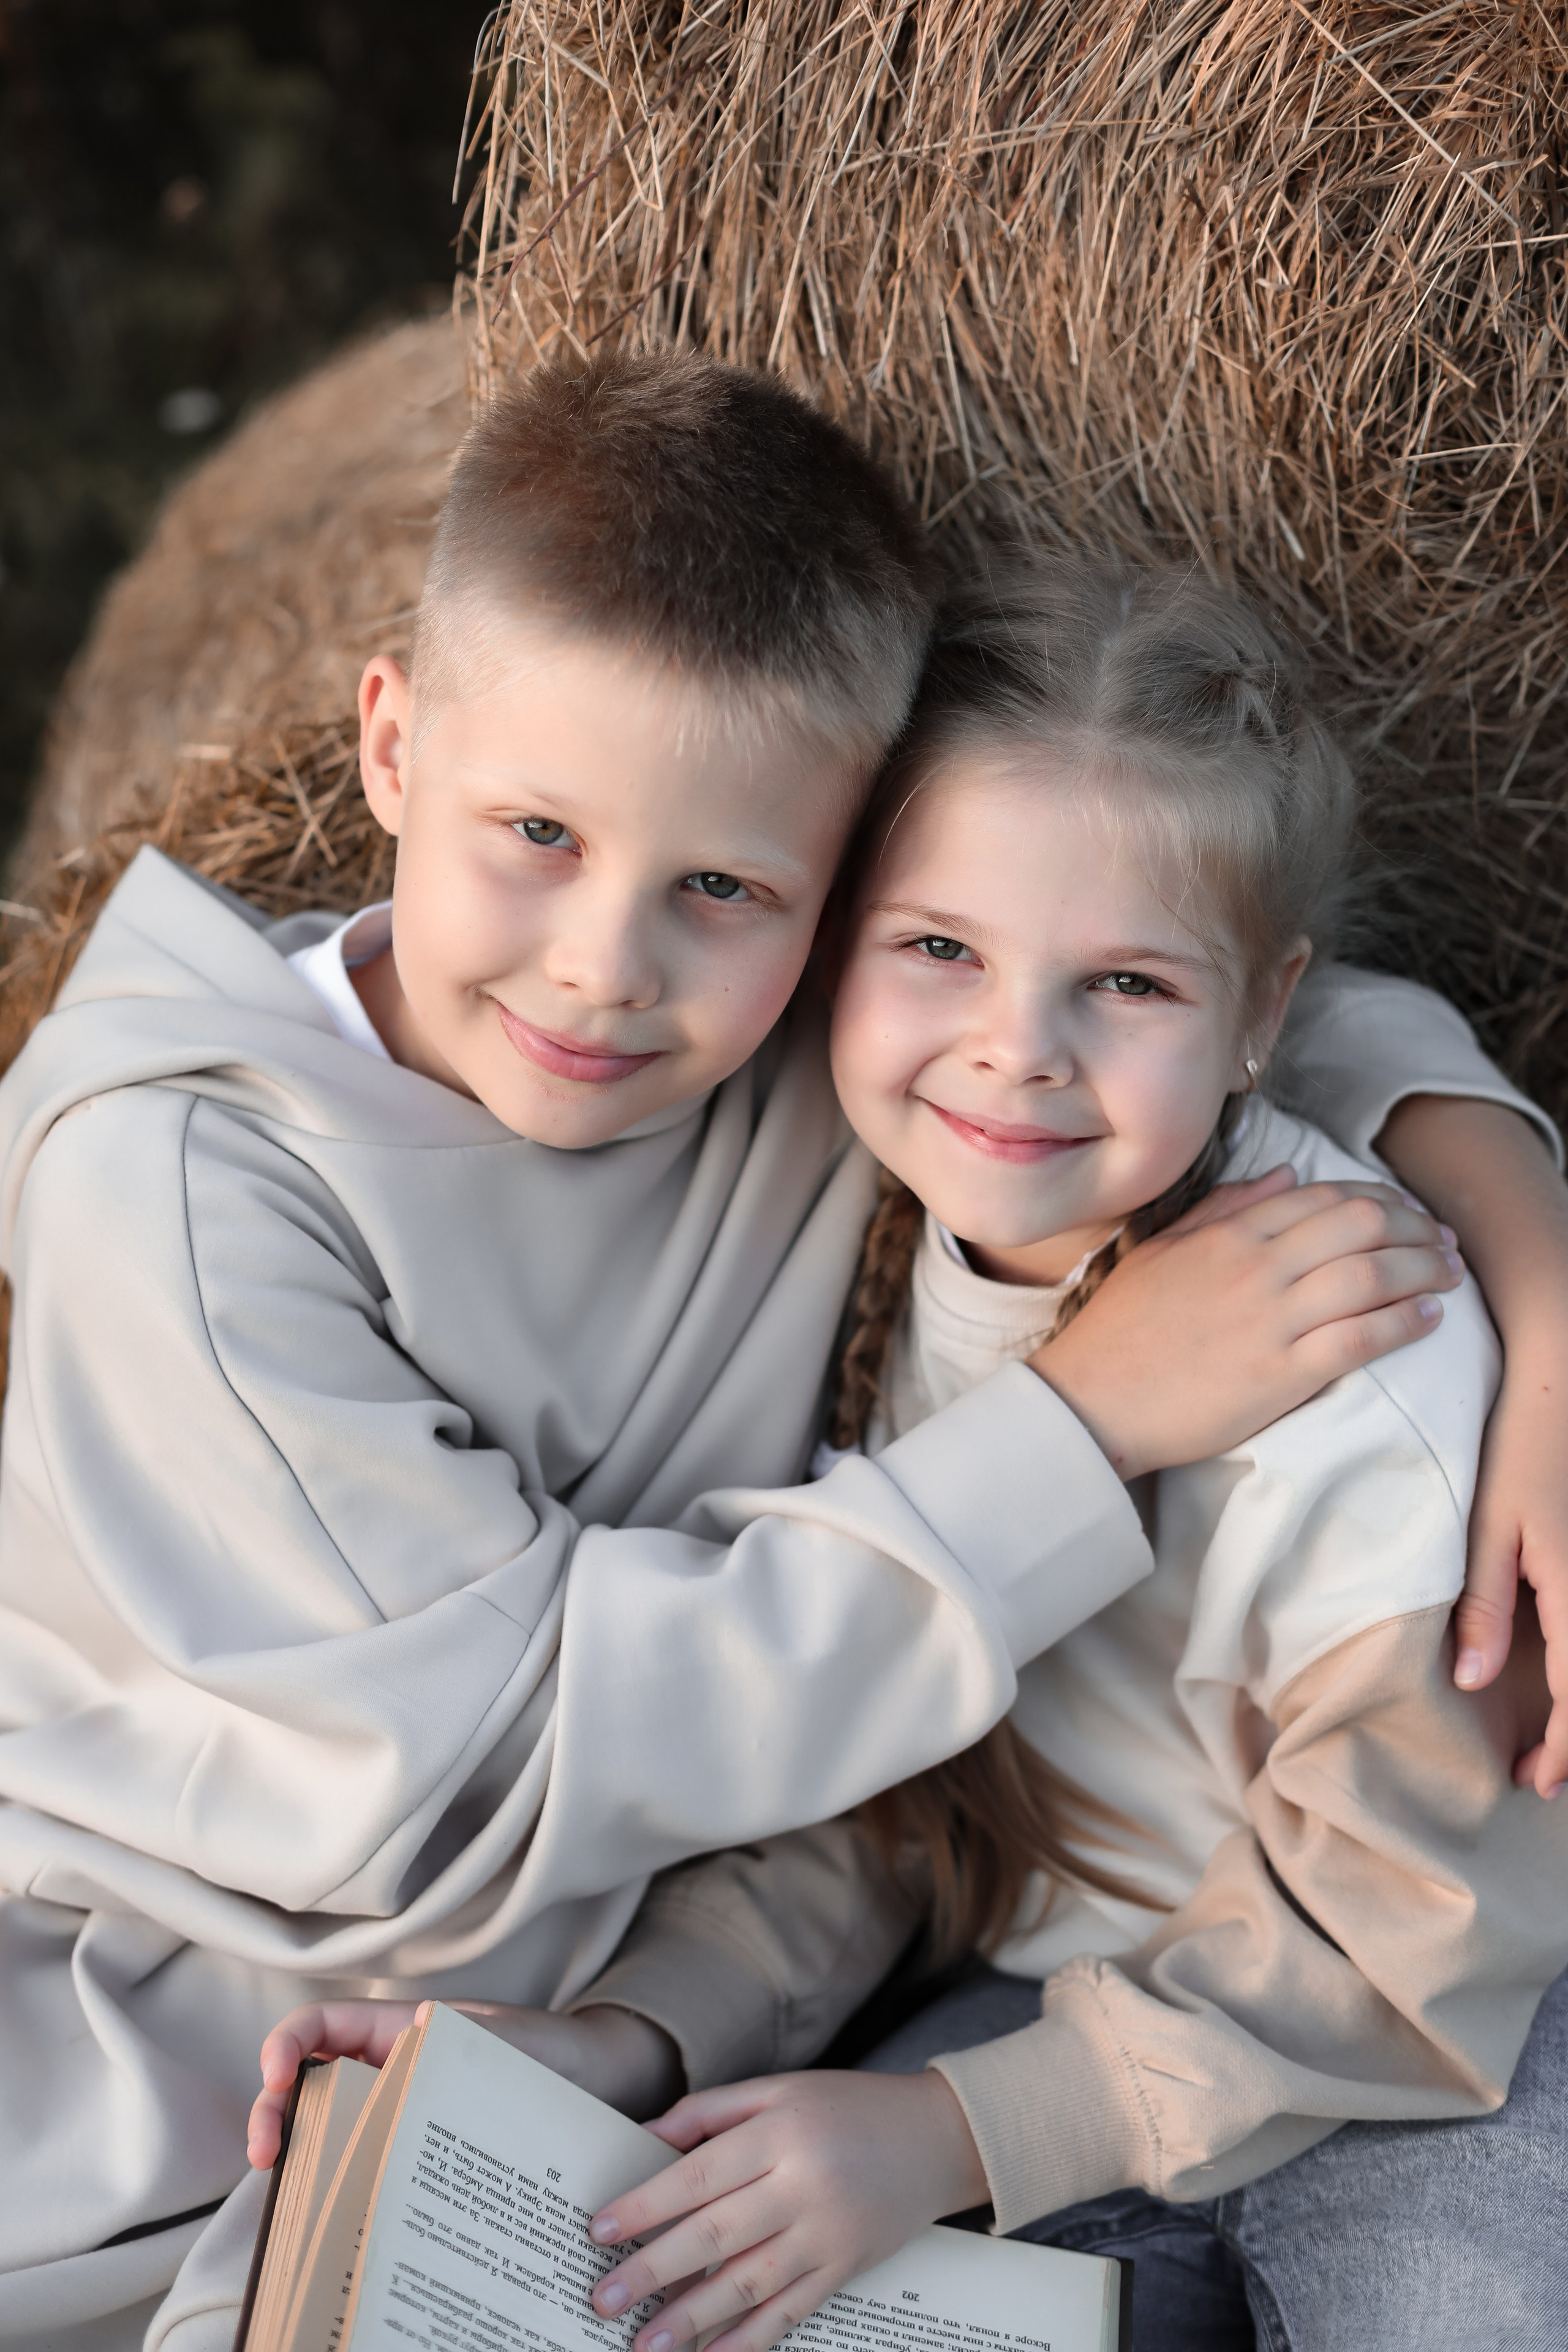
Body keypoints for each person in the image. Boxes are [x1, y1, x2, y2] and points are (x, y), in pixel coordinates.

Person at [0, 355, 1554, 2352]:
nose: (602, 966)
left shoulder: (812, 1045)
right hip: (201, 2011)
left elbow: (1184, 958)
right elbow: (547, 1750)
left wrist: (1539, 1278)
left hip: (875, 1989)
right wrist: (1088, 1422)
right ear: (387, 743)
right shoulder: (188, 1192)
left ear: (818, 901)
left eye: (727, 889)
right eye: (536, 833)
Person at [512, 554, 1568, 2352]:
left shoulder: (1370, 1366)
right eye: (940, 949)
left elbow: (1414, 1943)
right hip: (1078, 2012)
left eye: (1129, 986)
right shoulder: (853, 1268)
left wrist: (946, 2131)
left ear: (1262, 1015)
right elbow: (895, 1785)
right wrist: (641, 2027)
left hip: (1429, 2024)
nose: (1017, 1049)